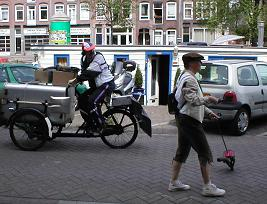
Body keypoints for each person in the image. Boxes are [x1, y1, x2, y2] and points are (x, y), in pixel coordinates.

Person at [168, 52, 226, 197]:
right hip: (190, 121)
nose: (201, 64)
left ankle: (174, 182)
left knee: (182, 151)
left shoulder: (184, 75)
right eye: (199, 62)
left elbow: (190, 101)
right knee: (205, 152)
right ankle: (207, 187)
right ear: (191, 63)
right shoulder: (190, 79)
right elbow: (193, 99)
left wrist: (208, 112)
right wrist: (209, 98)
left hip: (183, 117)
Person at [69, 42, 115, 133]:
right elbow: (84, 72)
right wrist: (78, 78)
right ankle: (90, 123)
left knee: (92, 102)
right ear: (84, 52)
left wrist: (77, 80)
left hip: (106, 84)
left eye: (91, 50)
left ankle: (102, 126)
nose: (91, 52)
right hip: (97, 86)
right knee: (82, 99)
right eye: (88, 51)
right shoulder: (84, 59)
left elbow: (91, 72)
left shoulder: (98, 57)